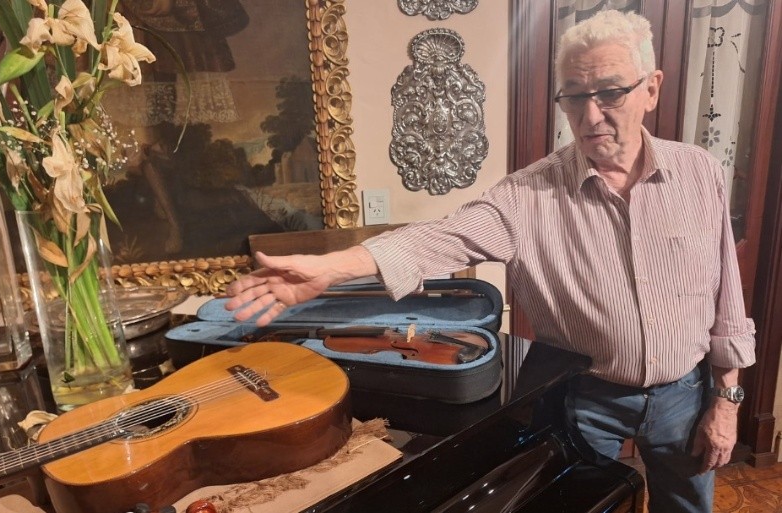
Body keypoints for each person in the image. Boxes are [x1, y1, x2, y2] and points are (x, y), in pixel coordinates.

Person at [224, 10, 756, 513]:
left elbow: (726, 299)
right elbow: (438, 237)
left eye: (611, 92)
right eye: (574, 95)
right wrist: (330, 268)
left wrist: (727, 400)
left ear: (651, 89)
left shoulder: (699, 173)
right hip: (582, 397)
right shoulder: (527, 195)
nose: (590, 115)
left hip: (687, 394)